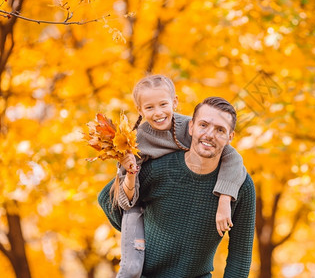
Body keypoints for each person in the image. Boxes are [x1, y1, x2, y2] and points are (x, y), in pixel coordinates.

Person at [99, 96, 256, 277]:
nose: (209, 134)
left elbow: (240, 255)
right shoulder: (158, 168)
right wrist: (142, 235)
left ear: (230, 137)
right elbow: (107, 199)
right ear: (191, 127)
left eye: (220, 130)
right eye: (203, 125)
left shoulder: (242, 186)